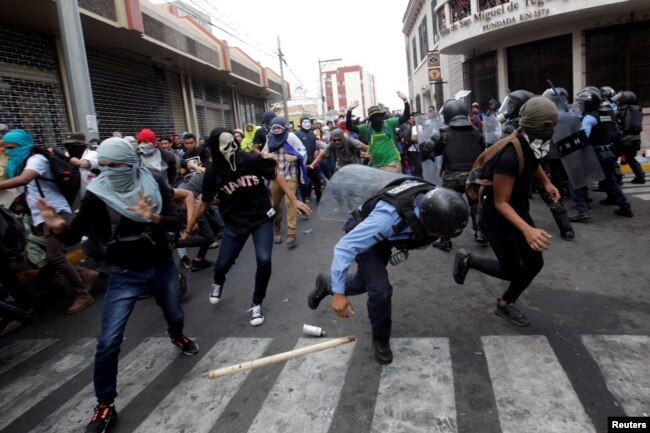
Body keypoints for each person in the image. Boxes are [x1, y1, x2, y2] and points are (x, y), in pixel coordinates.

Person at [35, 137, 198, 433]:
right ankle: (104, 405)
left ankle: (177, 336)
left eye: (117, 165)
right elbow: (73, 236)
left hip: (161, 266)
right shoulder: (97, 194)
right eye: (105, 166)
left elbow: (176, 223)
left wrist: (154, 217)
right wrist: (58, 226)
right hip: (123, 274)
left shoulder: (155, 184)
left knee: (175, 315)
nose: (110, 171)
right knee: (108, 342)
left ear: (132, 163)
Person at [307, 180, 468, 364]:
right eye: (438, 233)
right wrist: (339, 294)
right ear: (427, 221)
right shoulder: (387, 218)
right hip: (363, 229)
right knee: (380, 290)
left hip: (385, 238)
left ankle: (325, 284)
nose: (439, 238)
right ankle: (381, 339)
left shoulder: (434, 198)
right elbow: (345, 248)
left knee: (363, 282)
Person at [182, 128, 310, 326]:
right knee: (223, 263)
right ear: (216, 148)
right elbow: (204, 202)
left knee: (264, 259)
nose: (231, 148)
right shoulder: (213, 173)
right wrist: (189, 229)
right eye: (225, 145)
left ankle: (256, 303)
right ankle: (218, 280)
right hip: (235, 222)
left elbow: (275, 173)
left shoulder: (250, 160)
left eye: (233, 142)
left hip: (261, 218)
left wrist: (295, 200)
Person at [452, 96, 561, 327]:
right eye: (552, 123)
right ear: (540, 125)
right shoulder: (510, 155)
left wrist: (547, 182)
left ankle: (505, 303)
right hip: (497, 219)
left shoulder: (531, 140)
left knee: (534, 263)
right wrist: (528, 230)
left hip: (519, 212)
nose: (555, 126)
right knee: (511, 270)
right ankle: (467, 260)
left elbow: (534, 161)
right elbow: (501, 202)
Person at [0, 129, 97, 315]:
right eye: (6, 148)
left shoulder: (35, 159)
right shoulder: (22, 162)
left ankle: (83, 294)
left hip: (55, 212)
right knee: (53, 255)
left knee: (55, 256)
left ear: (23, 145)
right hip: (42, 215)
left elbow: (24, 179)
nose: (9, 151)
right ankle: (85, 275)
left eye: (12, 147)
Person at [421, 99, 486, 250]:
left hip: (452, 176)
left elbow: (426, 149)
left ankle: (445, 241)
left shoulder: (443, 133)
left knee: (447, 206)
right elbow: (485, 151)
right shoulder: (476, 132)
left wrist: (438, 154)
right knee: (476, 205)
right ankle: (480, 233)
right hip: (473, 176)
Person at [570, 87, 633, 220]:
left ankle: (582, 211)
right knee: (610, 181)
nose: (580, 106)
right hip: (607, 152)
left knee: (576, 180)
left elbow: (584, 138)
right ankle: (625, 207)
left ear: (589, 104)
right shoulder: (605, 113)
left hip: (594, 155)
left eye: (582, 103)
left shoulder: (588, 118)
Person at [262, 117, 308, 246]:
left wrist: (295, 157)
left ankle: (291, 233)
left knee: (290, 203)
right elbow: (263, 153)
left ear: (283, 128)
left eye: (279, 128)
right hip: (276, 177)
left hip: (290, 176)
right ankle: (277, 226)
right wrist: (267, 156)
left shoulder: (291, 137)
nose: (276, 130)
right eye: (274, 128)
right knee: (275, 205)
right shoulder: (269, 138)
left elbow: (303, 150)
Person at [345, 91, 411, 172]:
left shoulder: (389, 123)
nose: (377, 119)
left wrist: (405, 101)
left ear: (381, 116)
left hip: (392, 164)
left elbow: (406, 117)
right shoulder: (366, 129)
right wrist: (349, 111)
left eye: (379, 116)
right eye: (374, 117)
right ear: (370, 120)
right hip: (377, 167)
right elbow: (349, 127)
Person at [615, 90, 645, 184]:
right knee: (631, 158)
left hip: (625, 138)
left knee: (613, 158)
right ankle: (640, 176)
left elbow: (614, 116)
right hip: (636, 139)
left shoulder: (624, 109)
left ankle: (618, 178)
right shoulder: (638, 109)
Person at [295, 116, 324, 205]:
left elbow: (315, 145)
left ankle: (319, 199)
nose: (307, 124)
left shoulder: (312, 133)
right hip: (301, 164)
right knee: (302, 184)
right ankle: (303, 202)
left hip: (313, 163)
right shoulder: (297, 134)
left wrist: (316, 151)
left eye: (308, 122)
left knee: (317, 182)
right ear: (301, 123)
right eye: (304, 122)